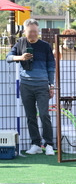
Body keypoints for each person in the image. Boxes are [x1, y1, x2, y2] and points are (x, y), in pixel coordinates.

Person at [6, 19, 56, 155]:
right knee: (30, 116)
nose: (33, 34)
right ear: (24, 32)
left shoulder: (45, 46)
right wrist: (21, 57)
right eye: (30, 32)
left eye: (35, 31)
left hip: (42, 85)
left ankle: (49, 144)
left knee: (44, 114)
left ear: (38, 31)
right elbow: (8, 58)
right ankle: (36, 143)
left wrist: (51, 85)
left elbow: (51, 66)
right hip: (26, 85)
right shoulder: (20, 43)